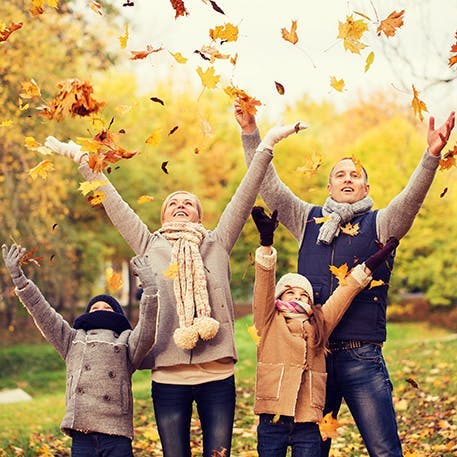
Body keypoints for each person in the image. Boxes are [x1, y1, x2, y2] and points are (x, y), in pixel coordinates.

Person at [43, 120, 307, 457]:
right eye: (173, 203)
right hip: (168, 378)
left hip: (218, 374)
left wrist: (266, 143)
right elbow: (112, 200)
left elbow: (246, 190)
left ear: (199, 216)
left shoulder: (217, 241)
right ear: (164, 216)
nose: (181, 204)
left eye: (189, 203)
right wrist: (81, 158)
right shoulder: (148, 244)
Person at [236, 104, 455, 457]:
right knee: (312, 450)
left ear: (366, 185)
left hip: (360, 356)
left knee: (384, 450)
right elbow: (270, 187)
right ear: (329, 184)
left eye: (355, 175)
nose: (348, 179)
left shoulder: (381, 224)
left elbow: (411, 201)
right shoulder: (307, 218)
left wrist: (431, 156)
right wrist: (251, 134)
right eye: (341, 174)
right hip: (313, 357)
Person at [250, 206, 399, 457]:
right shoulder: (269, 321)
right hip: (273, 417)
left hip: (308, 420)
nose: (298, 297)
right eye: (290, 293)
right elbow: (264, 284)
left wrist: (370, 264)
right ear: (279, 297)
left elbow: (345, 292)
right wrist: (266, 245)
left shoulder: (319, 323)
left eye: (303, 294)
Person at [1, 243, 159, 457]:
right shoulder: (72, 339)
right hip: (82, 436)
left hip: (116, 434)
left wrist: (150, 289)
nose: (100, 310)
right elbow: (43, 312)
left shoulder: (127, 340)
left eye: (107, 308)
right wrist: (19, 279)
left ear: (118, 315)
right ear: (86, 314)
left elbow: (148, 329)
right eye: (95, 308)